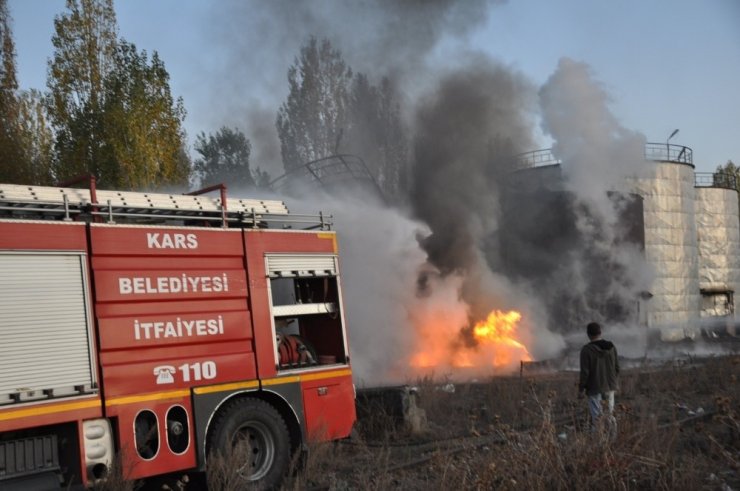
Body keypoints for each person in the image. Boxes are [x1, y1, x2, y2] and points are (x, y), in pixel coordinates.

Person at [579, 321, 619, 436]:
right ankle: (612, 439)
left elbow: (585, 372)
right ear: (600, 332)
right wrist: (612, 381)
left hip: (594, 387)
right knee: (609, 414)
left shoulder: (586, 350)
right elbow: (617, 367)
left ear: (588, 334)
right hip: (610, 386)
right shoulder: (611, 347)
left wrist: (581, 389)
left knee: (597, 417)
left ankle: (599, 443)